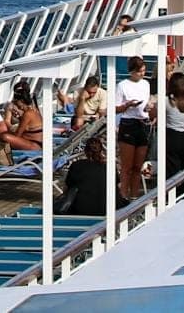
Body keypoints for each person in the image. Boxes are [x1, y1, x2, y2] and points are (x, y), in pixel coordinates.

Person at [115, 55, 152, 200]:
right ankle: (124, 196)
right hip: (128, 122)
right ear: (132, 71)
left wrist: (149, 107)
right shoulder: (123, 85)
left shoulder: (146, 84)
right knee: (127, 166)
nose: (142, 74)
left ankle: (134, 196)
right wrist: (127, 105)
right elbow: (115, 108)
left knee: (138, 166)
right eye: (139, 71)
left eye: (143, 71)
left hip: (143, 122)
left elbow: (147, 103)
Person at [55, 136, 109, 216]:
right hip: (105, 208)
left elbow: (67, 187)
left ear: (85, 151)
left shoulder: (77, 165)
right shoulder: (109, 167)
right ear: (101, 150)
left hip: (81, 209)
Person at [0, 80, 43, 156]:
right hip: (35, 142)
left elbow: (18, 135)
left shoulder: (28, 114)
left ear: (21, 101)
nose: (16, 104)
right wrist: (19, 117)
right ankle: (2, 159)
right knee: (2, 136)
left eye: (16, 102)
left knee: (4, 136)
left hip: (34, 145)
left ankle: (4, 161)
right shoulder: (34, 110)